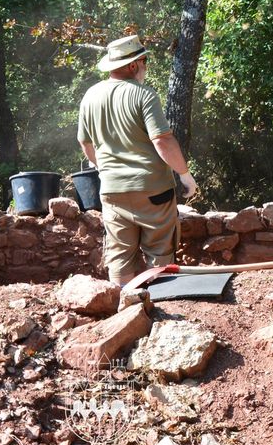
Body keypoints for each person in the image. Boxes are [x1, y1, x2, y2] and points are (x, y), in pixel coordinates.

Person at [77, 34, 197, 286]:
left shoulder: (90, 96)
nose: (145, 67)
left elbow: (86, 144)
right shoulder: (143, 95)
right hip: (153, 190)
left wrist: (104, 169)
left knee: (119, 255)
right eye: (144, 62)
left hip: (112, 192)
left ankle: (124, 312)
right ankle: (165, 314)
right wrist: (185, 176)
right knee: (160, 252)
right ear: (133, 65)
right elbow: (162, 141)